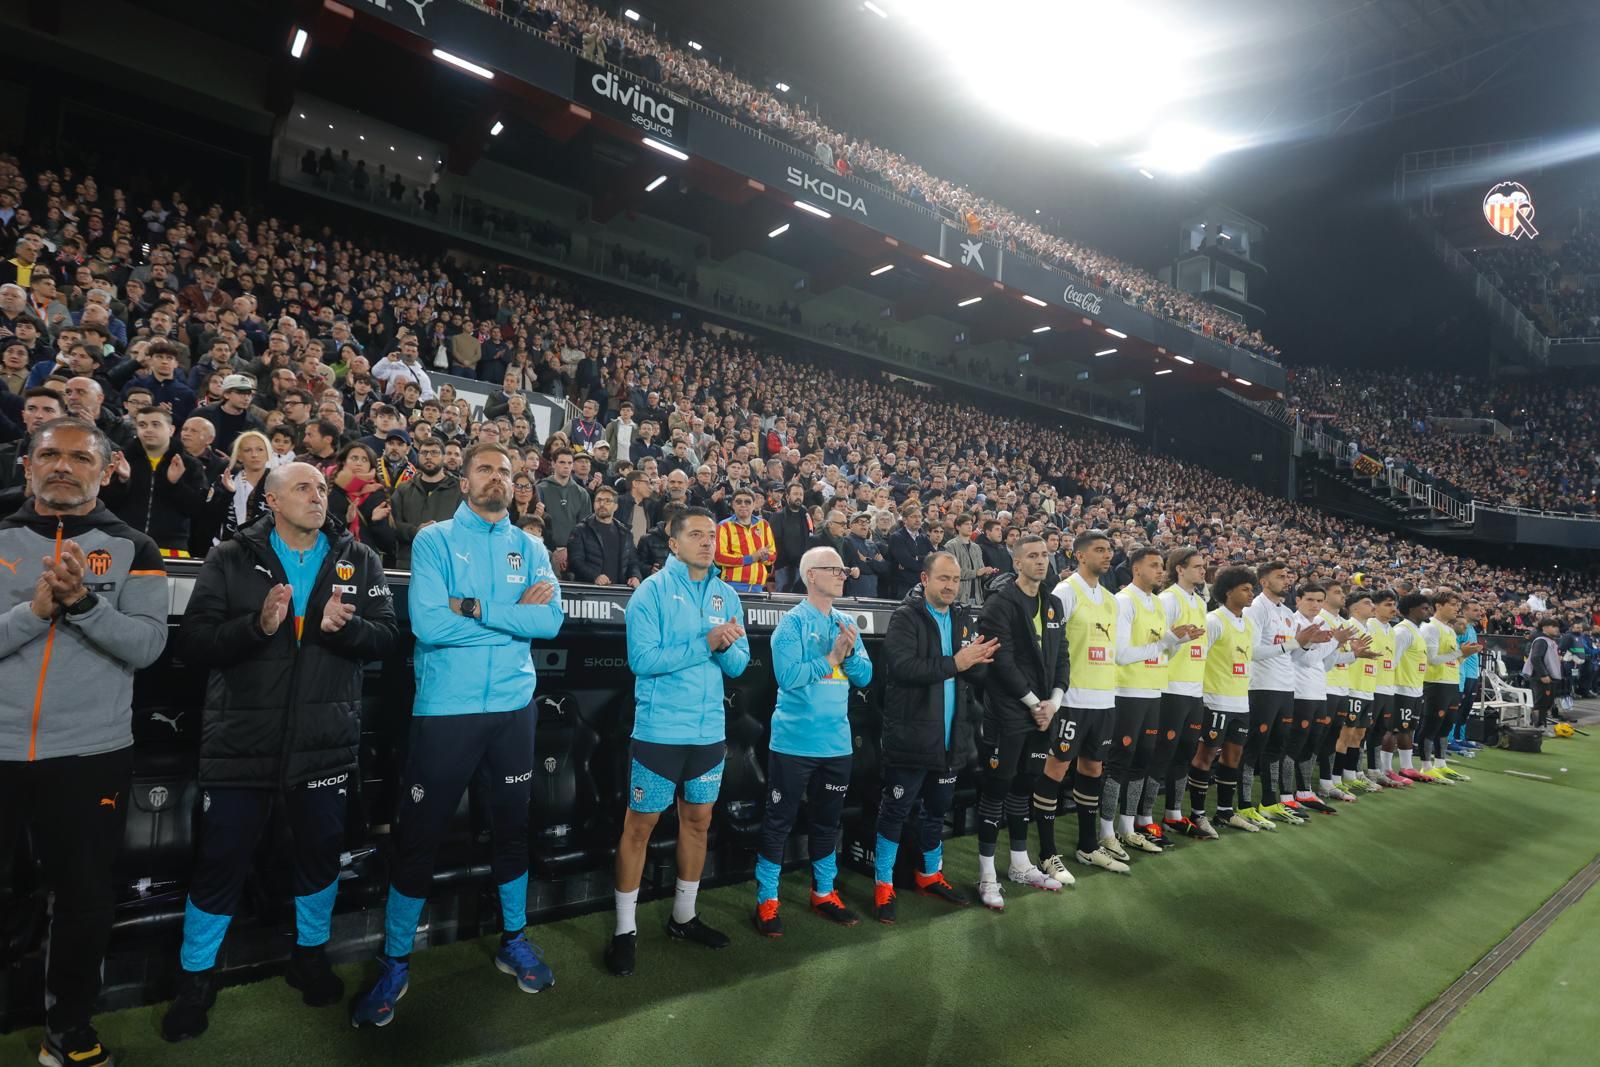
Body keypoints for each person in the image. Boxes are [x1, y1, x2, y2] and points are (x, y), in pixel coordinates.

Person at [161, 462, 399, 1041]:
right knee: (221, 863)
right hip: (242, 744)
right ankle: (195, 979)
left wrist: (346, 630)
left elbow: (390, 638)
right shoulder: (230, 556)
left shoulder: (359, 558)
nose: (318, 496)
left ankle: (309, 954)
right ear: (270, 499)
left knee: (319, 857)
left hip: (324, 745)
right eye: (303, 487)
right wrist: (258, 626)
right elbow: (193, 641)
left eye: (323, 488)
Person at [350, 443, 565, 1027]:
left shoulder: (532, 545)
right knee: (419, 835)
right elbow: (428, 623)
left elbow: (549, 621)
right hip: (447, 710)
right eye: (486, 469)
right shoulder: (434, 539)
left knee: (512, 829)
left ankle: (513, 940)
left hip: (514, 709)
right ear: (465, 481)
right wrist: (507, 617)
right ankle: (395, 960)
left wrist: (473, 608)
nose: (498, 478)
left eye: (508, 471)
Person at [0, 417, 169, 1067]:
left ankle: (66, 1030)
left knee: (84, 898)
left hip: (91, 751)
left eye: (79, 457)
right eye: (50, 455)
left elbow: (149, 645)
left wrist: (85, 606)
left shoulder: (136, 547)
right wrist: (35, 612)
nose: (63, 466)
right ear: (28, 465)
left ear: (107, 469)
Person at [605, 507, 749, 977]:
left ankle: (683, 917)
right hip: (660, 733)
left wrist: (726, 649)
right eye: (697, 535)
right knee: (639, 829)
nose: (708, 542)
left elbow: (740, 666)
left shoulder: (728, 595)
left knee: (698, 824)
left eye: (712, 535)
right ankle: (624, 930)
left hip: (709, 734)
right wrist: (706, 643)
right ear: (674, 542)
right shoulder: (651, 592)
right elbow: (642, 660)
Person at [754, 545, 872, 936]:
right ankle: (767, 900)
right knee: (779, 822)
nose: (843, 574)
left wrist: (849, 655)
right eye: (834, 569)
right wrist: (834, 658)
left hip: (836, 745)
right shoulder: (790, 624)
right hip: (793, 745)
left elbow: (866, 675)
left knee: (827, 822)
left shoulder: (845, 623)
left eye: (844, 569)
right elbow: (788, 677)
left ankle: (823, 892)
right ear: (811, 576)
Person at [873, 551, 997, 923]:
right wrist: (957, 662)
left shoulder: (961, 618)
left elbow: (970, 675)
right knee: (894, 811)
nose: (950, 586)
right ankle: (883, 885)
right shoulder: (905, 616)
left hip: (950, 741)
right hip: (910, 737)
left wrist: (980, 663)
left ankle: (929, 874)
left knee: (936, 810)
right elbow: (903, 667)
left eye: (956, 580)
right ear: (925, 579)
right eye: (943, 579)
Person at [974, 533, 1071, 910]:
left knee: (1023, 789)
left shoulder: (1054, 603)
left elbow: (1062, 656)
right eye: (1032, 555)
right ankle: (986, 876)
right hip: (1009, 712)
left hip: (1043, 713)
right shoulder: (1000, 602)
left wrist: (1054, 702)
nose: (1040, 561)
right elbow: (1002, 660)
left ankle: (1019, 865)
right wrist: (1035, 703)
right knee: (996, 792)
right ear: (1016, 562)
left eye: (1044, 555)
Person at [1106, 545, 1203, 857]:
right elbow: (1121, 655)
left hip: (1154, 692)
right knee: (1120, 762)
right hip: (1128, 693)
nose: (1160, 571)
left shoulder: (1156, 604)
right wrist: (1166, 641)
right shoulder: (1124, 601)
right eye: (1154, 565)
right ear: (1136, 569)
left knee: (1142, 761)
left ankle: (1128, 827)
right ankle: (1107, 832)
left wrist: (1178, 640)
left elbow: (1164, 652)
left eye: (1162, 565)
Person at [1242, 562, 1328, 830]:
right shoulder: (1255, 609)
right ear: (1264, 581)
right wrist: (1294, 643)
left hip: (1285, 687)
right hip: (1262, 687)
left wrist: (1310, 642)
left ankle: (1269, 802)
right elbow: (1253, 651)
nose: (1286, 580)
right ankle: (1244, 805)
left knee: (1277, 747)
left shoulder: (1287, 613)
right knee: (1253, 749)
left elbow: (1295, 655)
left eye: (1288, 576)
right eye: (1280, 576)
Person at [1186, 566, 1262, 834]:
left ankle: (1225, 812)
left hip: (1241, 702)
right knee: (1204, 756)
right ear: (1228, 591)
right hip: (1215, 701)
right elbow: (1198, 657)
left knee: (1233, 757)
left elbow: (1250, 658)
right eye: (1245, 588)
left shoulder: (1248, 623)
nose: (1251, 593)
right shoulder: (1214, 621)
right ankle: (1197, 814)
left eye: (1252, 588)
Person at [1152, 547, 1214, 840]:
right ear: (1179, 569)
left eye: (1203, 566)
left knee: (1186, 752)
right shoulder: (1167, 600)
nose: (1203, 571)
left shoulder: (1200, 602)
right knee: (1162, 755)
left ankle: (1173, 814)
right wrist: (1179, 640)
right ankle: (1143, 818)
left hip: (1194, 689)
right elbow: (1158, 644)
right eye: (1197, 566)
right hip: (1171, 687)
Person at [106, 405, 208, 555]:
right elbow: (105, 505)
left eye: (156, 424)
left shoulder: (191, 465)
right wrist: (122, 481)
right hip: (123, 544)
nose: (148, 430)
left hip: (172, 548)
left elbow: (197, 510)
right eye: (142, 425)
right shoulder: (121, 461)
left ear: (171, 430)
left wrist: (175, 485)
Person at [1420, 591, 1476, 783]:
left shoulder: (1450, 630)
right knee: (1431, 726)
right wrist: (1461, 651)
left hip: (1452, 683)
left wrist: (1465, 654)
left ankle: (1441, 764)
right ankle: (1426, 766)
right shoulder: (1430, 628)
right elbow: (1432, 659)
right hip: (1435, 683)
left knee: (1445, 726)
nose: (1456, 609)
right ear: (1438, 606)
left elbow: (1453, 661)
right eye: (1452, 604)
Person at [389, 439, 461, 569]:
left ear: (443, 457)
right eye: (424, 453)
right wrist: (415, 531)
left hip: (447, 564)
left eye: (434, 453)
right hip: (409, 563)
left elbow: (465, 527)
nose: (428, 457)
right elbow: (392, 525)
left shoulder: (459, 490)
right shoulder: (404, 489)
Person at [1391, 592, 1433, 782]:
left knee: (1408, 729)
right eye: (1424, 608)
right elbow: (1392, 662)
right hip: (1400, 688)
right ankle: (1388, 768)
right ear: (1410, 610)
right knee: (1396, 729)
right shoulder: (1402, 631)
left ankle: (1406, 767)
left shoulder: (1416, 631)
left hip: (1415, 688)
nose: (1428, 611)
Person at [567, 484, 642, 587]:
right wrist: (595, 576)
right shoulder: (580, 530)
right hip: (590, 593)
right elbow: (575, 561)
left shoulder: (625, 532)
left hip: (619, 593)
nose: (602, 504)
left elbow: (633, 562)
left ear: (616, 506)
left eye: (607, 501)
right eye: (598, 500)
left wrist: (635, 576)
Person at [713, 487, 774, 592]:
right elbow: (719, 557)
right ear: (733, 505)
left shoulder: (764, 525)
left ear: (754, 505)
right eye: (739, 502)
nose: (743, 505)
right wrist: (751, 558)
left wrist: (765, 557)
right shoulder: (724, 526)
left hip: (758, 586)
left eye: (747, 502)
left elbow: (773, 555)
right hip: (732, 586)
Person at [1523, 616, 1563, 729]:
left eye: (1557, 626)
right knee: (1541, 703)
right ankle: (1539, 727)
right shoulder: (1541, 640)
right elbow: (1535, 658)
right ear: (1544, 628)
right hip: (1541, 677)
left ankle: (1539, 726)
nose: (1556, 629)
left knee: (1546, 703)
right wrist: (1543, 674)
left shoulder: (1550, 641)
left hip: (1549, 676)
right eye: (1553, 626)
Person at [886, 503, 932, 599]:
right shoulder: (897, 537)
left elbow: (932, 558)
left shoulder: (923, 537)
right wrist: (924, 559)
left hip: (921, 586)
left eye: (919, 517)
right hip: (902, 587)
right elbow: (907, 562)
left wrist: (917, 558)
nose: (918, 520)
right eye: (914, 517)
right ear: (904, 519)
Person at [943, 514, 986, 605]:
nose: (970, 527)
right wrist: (976, 573)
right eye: (966, 524)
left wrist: (986, 572)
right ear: (958, 527)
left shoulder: (976, 547)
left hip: (977, 598)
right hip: (958, 598)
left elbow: (981, 570)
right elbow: (951, 572)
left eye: (971, 524)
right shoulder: (950, 546)